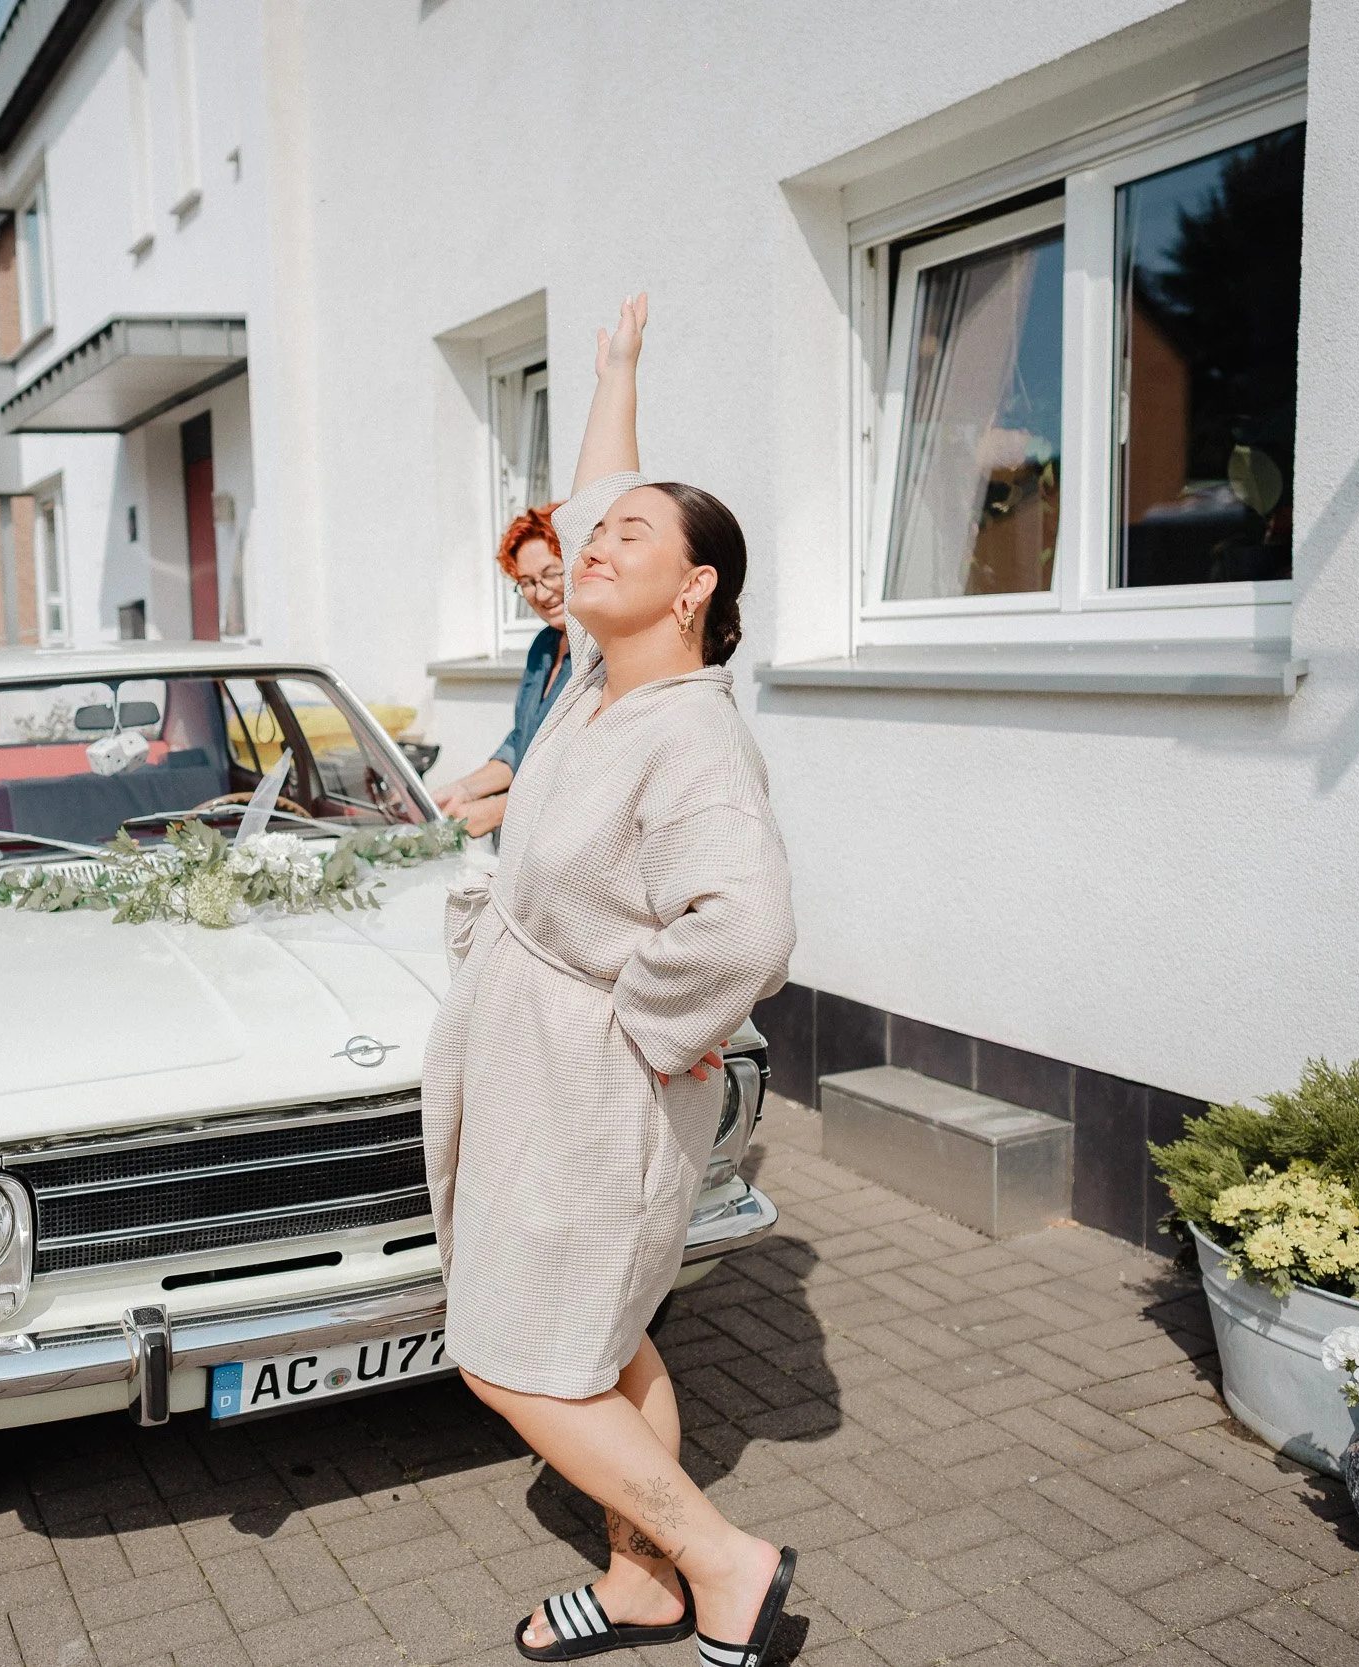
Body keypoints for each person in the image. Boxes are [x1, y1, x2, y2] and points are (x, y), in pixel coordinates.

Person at [421, 293, 799, 1667]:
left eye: (635, 537)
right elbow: (596, 491)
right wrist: (619, 369)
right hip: (531, 1042)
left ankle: (719, 1559)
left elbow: (748, 927)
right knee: (612, 1335)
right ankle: (641, 1584)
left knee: (515, 1353)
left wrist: (650, 1024)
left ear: (694, 587)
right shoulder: (594, 682)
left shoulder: (694, 740)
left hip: (597, 1076)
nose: (596, 542)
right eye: (598, 534)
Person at [432, 507, 573, 838]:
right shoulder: (542, 647)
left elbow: (585, 770)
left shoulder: (603, 652)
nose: (540, 593)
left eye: (551, 574)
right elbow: (521, 743)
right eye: (527, 582)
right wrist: (463, 790)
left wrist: (497, 811)